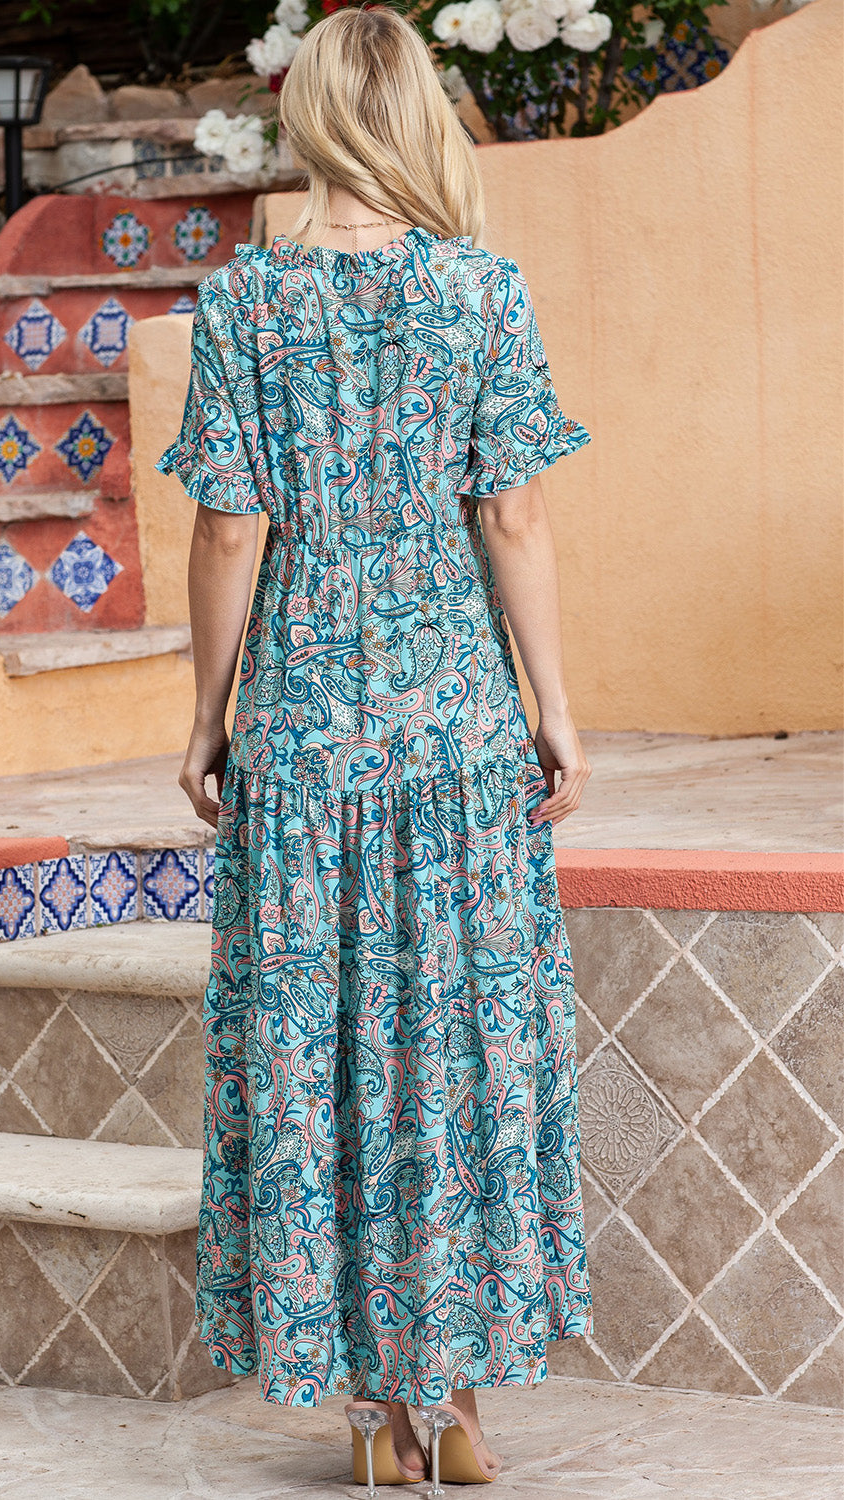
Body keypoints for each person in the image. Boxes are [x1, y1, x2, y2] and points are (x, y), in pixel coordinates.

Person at [155, 6, 594, 1493]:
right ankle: (458, 1396)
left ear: (310, 121)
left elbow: (230, 527)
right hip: (459, 729)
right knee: (454, 1050)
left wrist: (208, 713)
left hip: (303, 729)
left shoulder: (248, 303)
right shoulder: (482, 293)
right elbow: (512, 517)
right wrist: (550, 702)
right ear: (416, 118)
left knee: (318, 1052)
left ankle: (366, 1414)